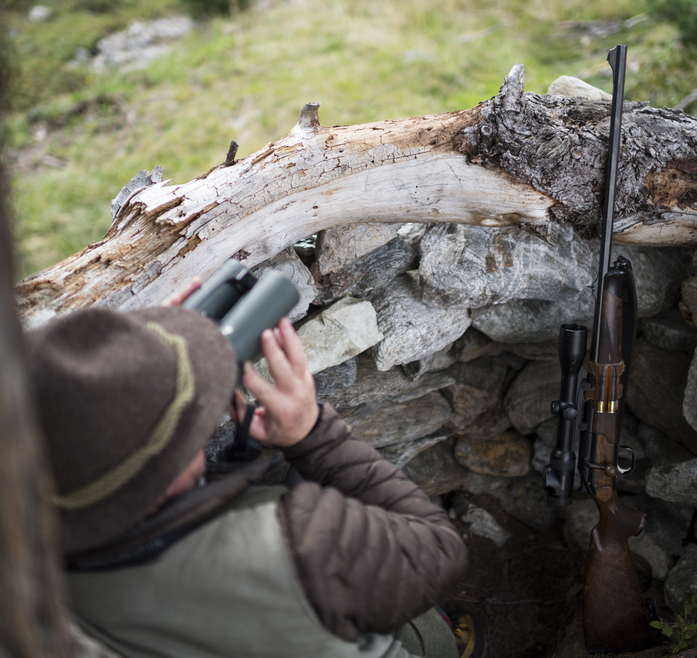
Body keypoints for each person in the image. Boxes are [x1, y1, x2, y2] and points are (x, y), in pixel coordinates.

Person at [26, 277, 477, 658]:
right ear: (170, 466)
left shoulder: (19, 570)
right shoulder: (306, 544)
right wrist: (313, 435)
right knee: (415, 617)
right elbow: (439, 548)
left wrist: (145, 371)